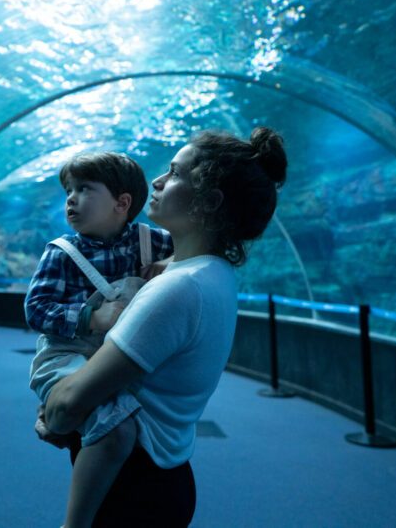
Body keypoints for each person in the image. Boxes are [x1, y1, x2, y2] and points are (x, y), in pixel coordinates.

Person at [39, 127, 288, 526]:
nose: (157, 181)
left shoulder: (177, 289)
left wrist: (53, 415)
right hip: (164, 478)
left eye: (175, 173)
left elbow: (67, 404)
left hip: (132, 490)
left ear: (209, 201)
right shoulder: (215, 272)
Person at [24, 152, 174, 528]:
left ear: (122, 203)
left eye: (84, 189)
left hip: (118, 353)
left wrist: (171, 263)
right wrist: (90, 317)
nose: (71, 199)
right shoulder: (61, 254)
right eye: (69, 191)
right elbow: (35, 310)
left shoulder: (151, 242)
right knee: (116, 426)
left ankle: (63, 420)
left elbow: (200, 254)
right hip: (66, 353)